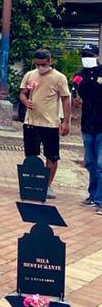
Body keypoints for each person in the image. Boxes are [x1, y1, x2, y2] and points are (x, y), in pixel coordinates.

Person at [19, 48, 71, 198]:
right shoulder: (30, 75)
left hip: (50, 124)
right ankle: (32, 183)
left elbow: (65, 99)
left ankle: (47, 186)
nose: (40, 67)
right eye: (37, 64)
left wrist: (66, 122)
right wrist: (25, 101)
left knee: (52, 156)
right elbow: (22, 93)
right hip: (31, 122)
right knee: (31, 155)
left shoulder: (59, 77)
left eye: (43, 64)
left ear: (50, 61)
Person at [73, 43, 102, 213]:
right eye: (84, 55)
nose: (86, 58)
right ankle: (92, 195)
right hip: (87, 125)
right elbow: (77, 93)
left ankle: (100, 199)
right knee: (90, 163)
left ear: (97, 56)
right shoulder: (79, 75)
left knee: (100, 164)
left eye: (90, 55)